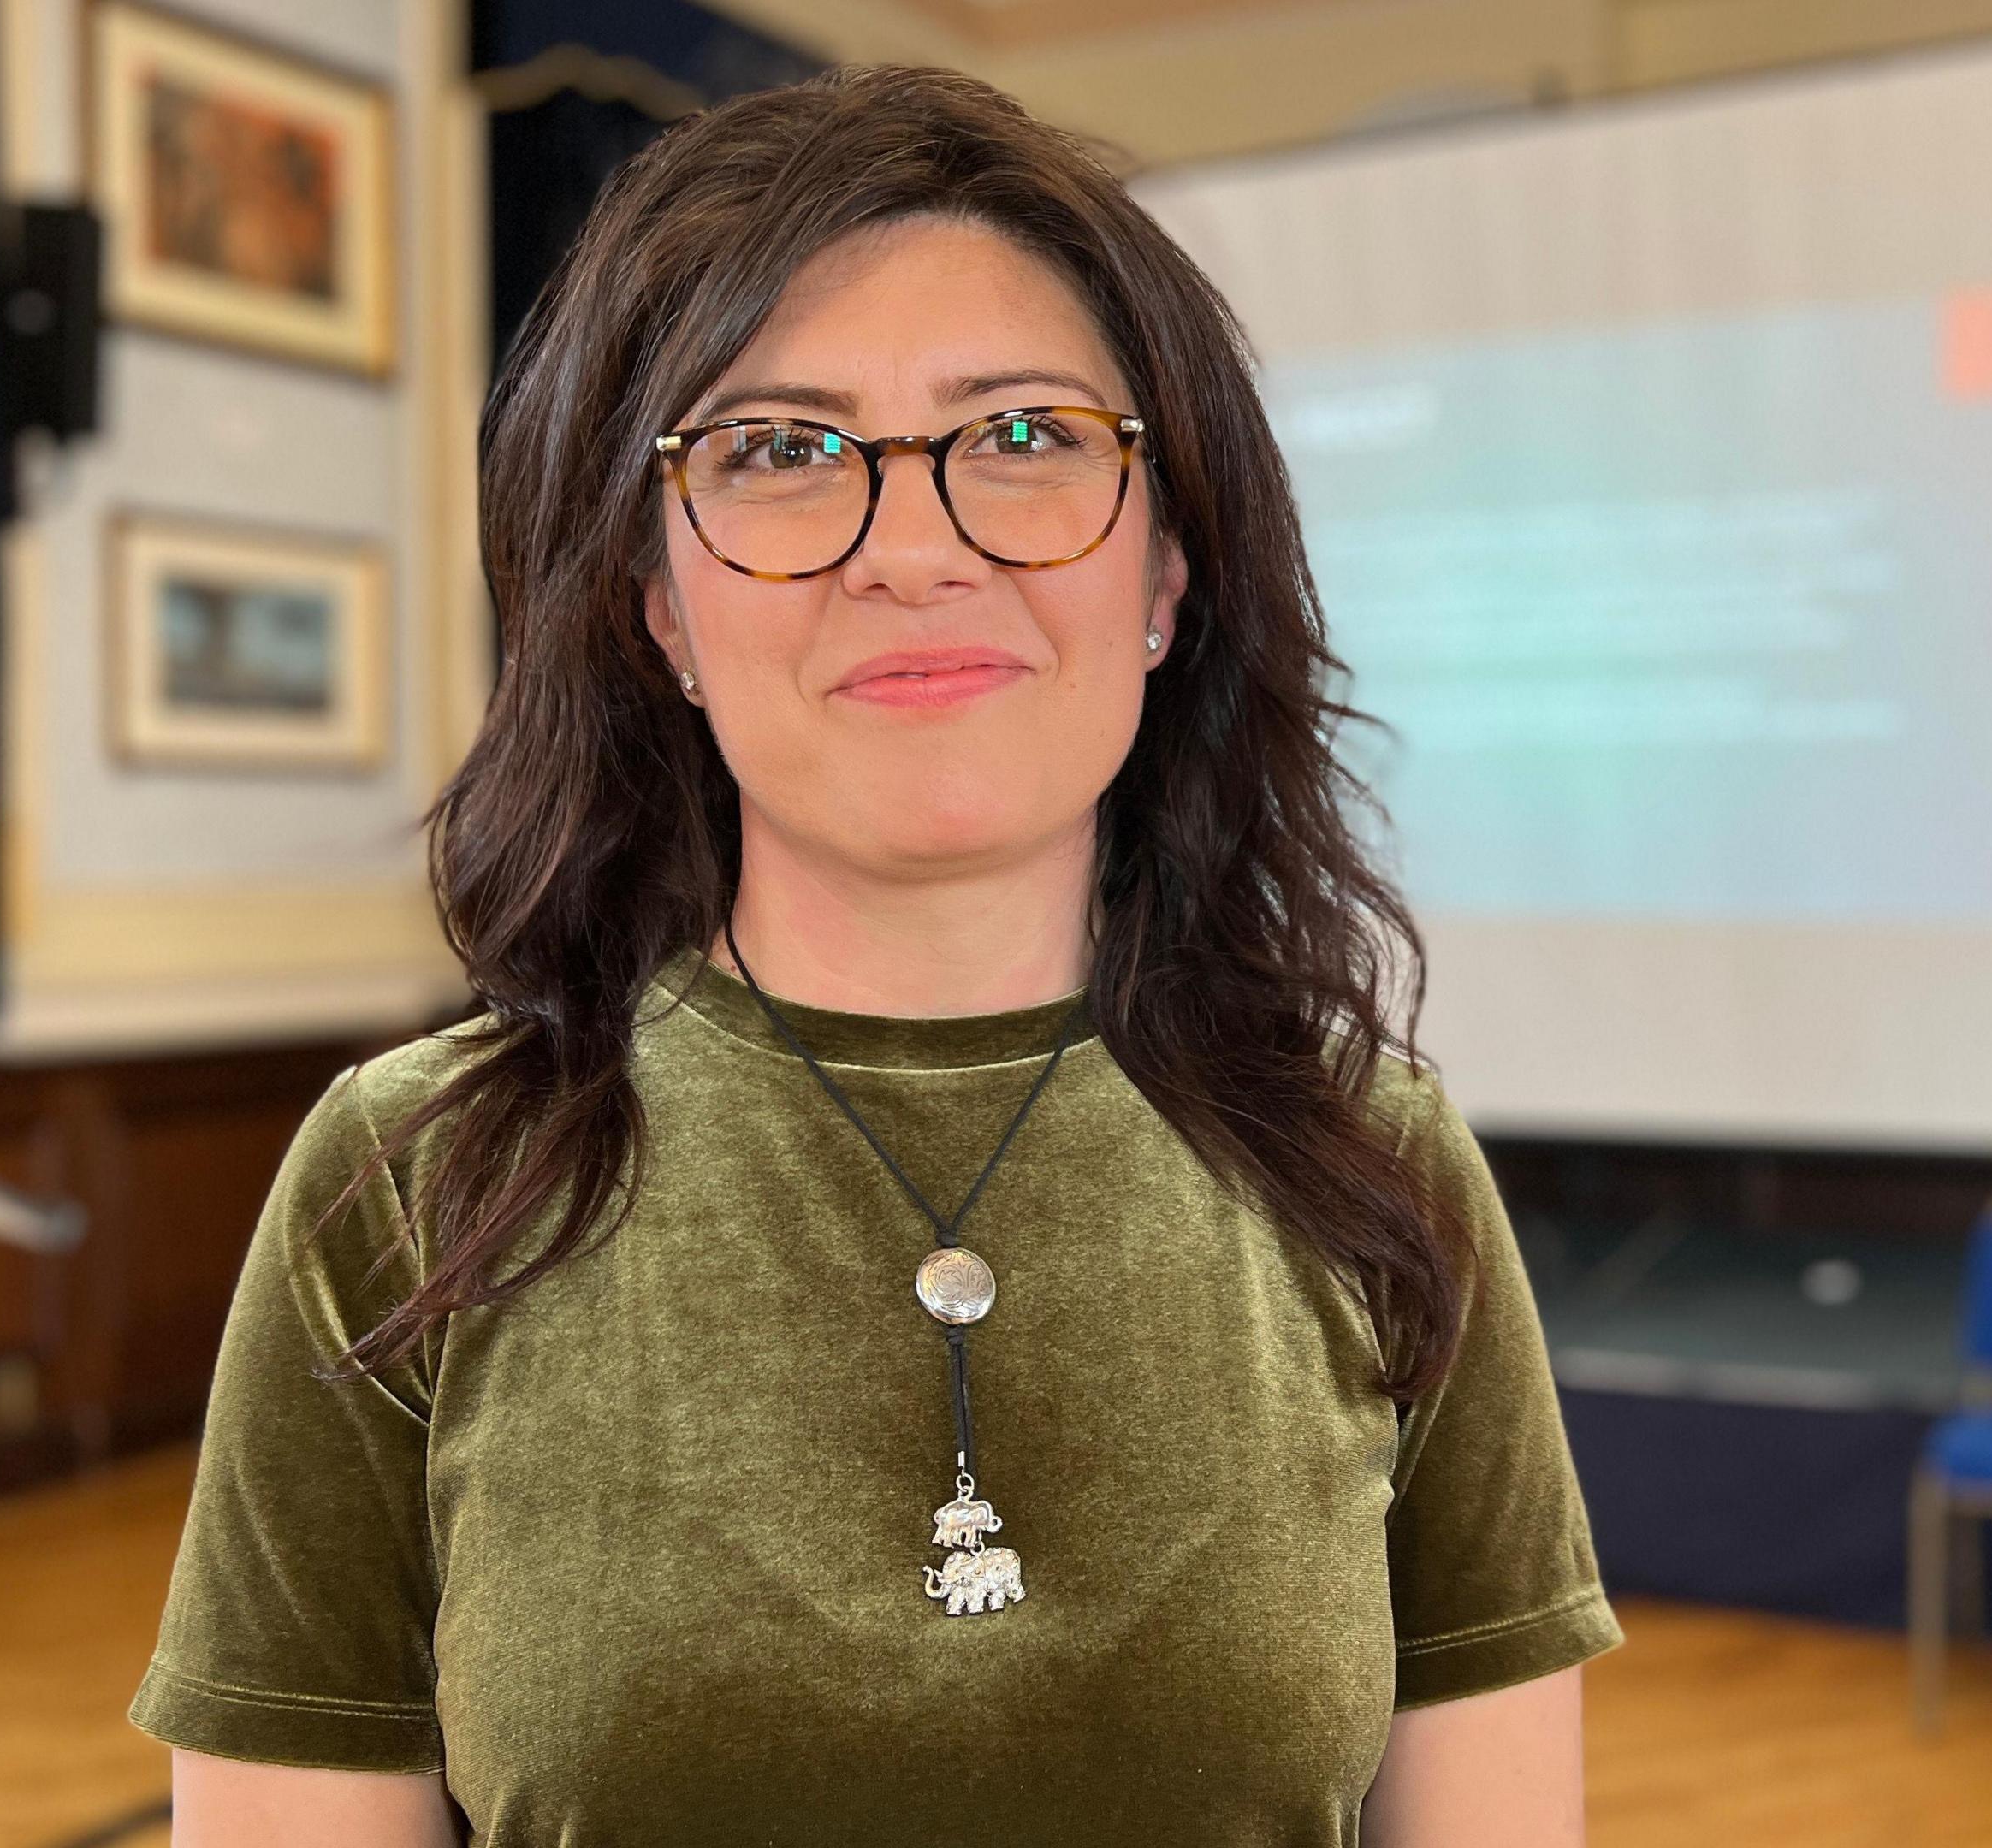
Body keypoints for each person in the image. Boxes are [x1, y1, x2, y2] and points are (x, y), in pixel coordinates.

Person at [129, 62, 1621, 1846]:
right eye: (778, 450)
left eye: (1023, 436)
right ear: (654, 600)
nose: (913, 551)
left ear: (1168, 576)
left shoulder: (1377, 1167)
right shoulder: (408, 1183)